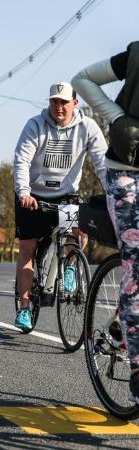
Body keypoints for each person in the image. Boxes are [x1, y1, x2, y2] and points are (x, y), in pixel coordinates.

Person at [12, 82, 107, 331]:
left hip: (65, 195)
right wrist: (23, 191)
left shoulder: (87, 127)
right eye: (54, 101)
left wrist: (113, 192)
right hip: (33, 196)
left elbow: (102, 163)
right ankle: (24, 307)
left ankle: (70, 267)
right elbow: (21, 160)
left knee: (79, 233)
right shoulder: (35, 125)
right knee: (27, 248)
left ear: (75, 103)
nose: (59, 107)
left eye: (64, 102)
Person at [73, 41, 139, 401]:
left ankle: (119, 327)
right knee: (138, 264)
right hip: (127, 171)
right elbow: (82, 79)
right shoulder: (135, 55)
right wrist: (117, 118)